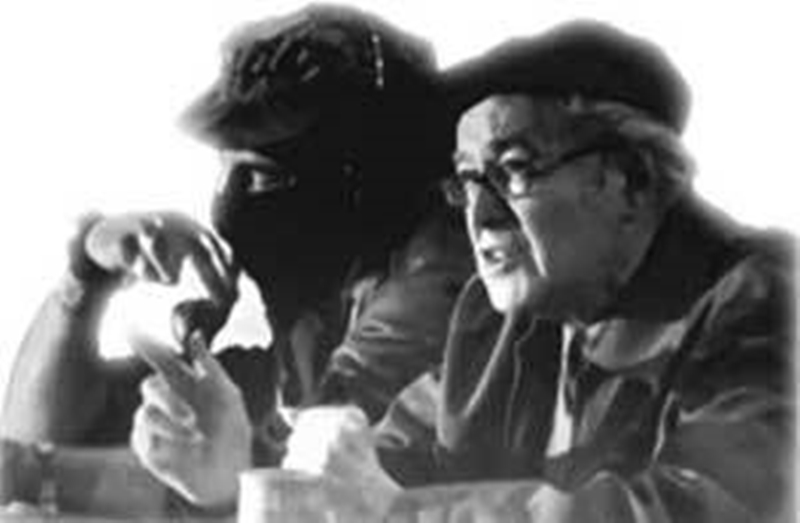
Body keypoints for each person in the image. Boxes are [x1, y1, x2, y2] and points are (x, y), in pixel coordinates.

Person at [282, 20, 795, 522]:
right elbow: (383, 464)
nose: (480, 217)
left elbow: (711, 507)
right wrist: (304, 472)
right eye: (467, 180)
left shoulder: (766, 304)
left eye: (514, 169)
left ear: (630, 183)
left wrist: (405, 512)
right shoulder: (494, 318)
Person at [0, 4, 470, 514]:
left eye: (262, 176)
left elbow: (301, 478)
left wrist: (39, 474)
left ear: (360, 186)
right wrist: (86, 278)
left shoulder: (434, 292)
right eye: (226, 174)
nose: (229, 208)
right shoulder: (304, 319)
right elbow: (42, 438)